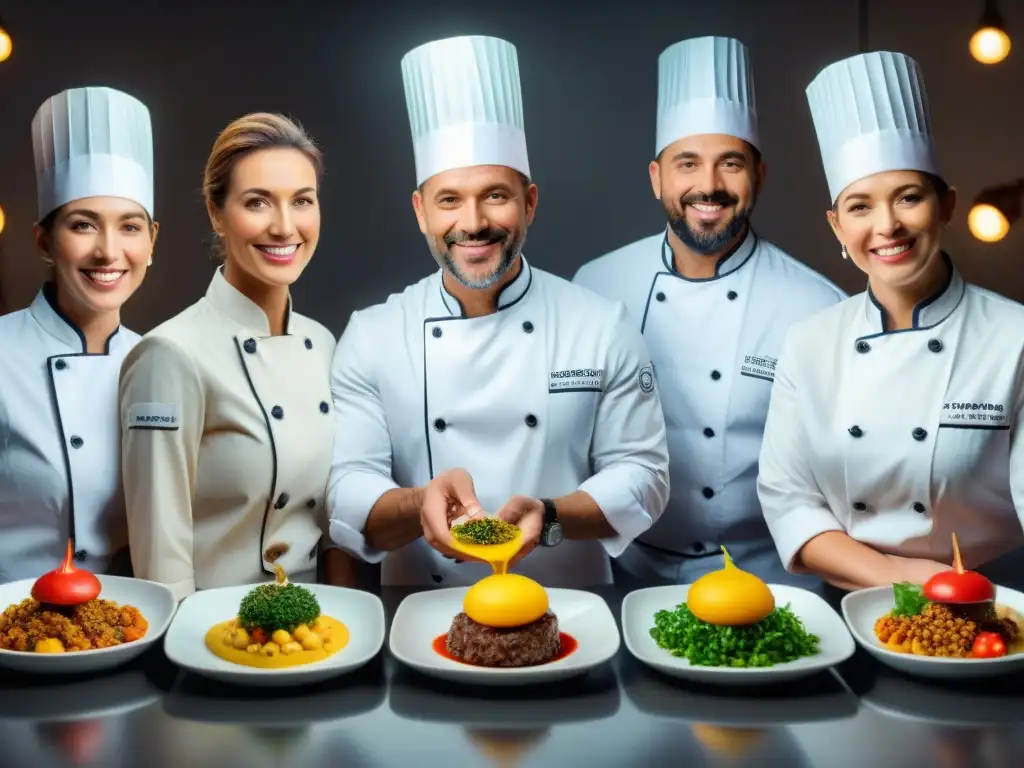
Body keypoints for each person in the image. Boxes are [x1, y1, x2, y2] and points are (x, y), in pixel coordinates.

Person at [327, 34, 670, 587]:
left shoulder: (600, 325)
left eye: (495, 195)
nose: (474, 221)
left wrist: (550, 516)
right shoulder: (373, 335)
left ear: (529, 202)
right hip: (421, 614)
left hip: (570, 613)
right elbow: (347, 489)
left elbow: (645, 475)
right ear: (420, 211)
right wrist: (420, 504)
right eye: (449, 200)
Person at [573, 36, 845, 588]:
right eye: (687, 164)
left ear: (759, 176)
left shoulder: (820, 306)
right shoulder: (594, 287)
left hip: (772, 581)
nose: (710, 186)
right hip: (623, 575)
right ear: (656, 178)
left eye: (731, 164)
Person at [757, 51, 1024, 591]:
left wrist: (957, 591)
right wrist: (901, 577)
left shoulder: (1015, 338)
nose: (887, 226)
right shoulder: (809, 344)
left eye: (908, 198)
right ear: (836, 225)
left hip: (991, 605)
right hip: (850, 605)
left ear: (945, 205)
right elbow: (790, 502)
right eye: (859, 207)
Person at [119, 113, 354, 601]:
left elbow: (332, 519)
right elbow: (160, 556)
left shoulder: (325, 343)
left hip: (318, 629)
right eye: (257, 202)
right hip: (213, 635)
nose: (284, 226)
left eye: (302, 201)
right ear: (216, 213)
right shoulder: (169, 353)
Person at [0, 86, 157, 583]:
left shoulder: (161, 364)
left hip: (131, 626)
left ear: (152, 241)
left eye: (129, 227)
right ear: (44, 240)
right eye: (83, 225)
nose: (108, 252)